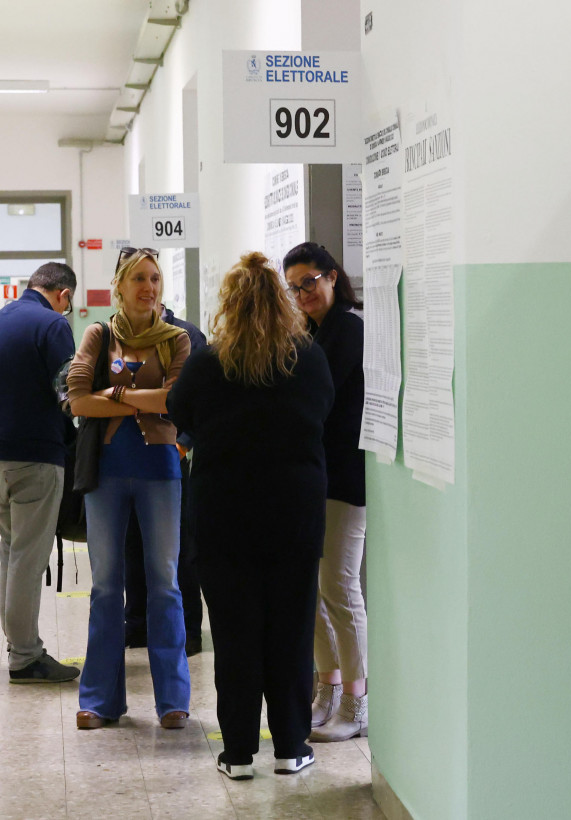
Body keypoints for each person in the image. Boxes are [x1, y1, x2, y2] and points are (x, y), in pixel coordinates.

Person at [167, 252, 333, 779]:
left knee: (235, 636)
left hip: (223, 515)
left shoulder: (207, 361)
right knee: (290, 631)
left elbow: (180, 413)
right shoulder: (306, 359)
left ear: (229, 306)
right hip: (294, 513)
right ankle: (290, 746)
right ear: (281, 302)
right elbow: (323, 410)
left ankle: (237, 753)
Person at [67, 247, 191, 730]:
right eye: (138, 278)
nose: (149, 287)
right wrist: (142, 404)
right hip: (107, 471)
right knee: (104, 586)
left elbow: (176, 400)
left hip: (160, 468)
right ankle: (99, 700)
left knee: (164, 584)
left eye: (155, 278)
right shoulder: (99, 335)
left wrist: (115, 397)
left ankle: (173, 701)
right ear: (119, 286)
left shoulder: (177, 339)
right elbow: (77, 401)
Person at [0, 262, 81, 684]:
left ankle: (18, 646)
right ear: (63, 295)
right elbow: (69, 392)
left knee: (12, 551)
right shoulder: (53, 326)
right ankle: (26, 655)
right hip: (37, 454)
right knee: (30, 556)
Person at [283, 242, 369, 742]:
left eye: (310, 282)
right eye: (294, 287)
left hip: (345, 479)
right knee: (310, 590)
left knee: (339, 586)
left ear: (333, 277)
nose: (303, 294)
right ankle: (328, 687)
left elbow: (317, 398)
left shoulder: (350, 330)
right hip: (310, 478)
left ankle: (358, 703)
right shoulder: (308, 332)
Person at [124, 302, 206, 655]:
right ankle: (138, 625)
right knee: (133, 544)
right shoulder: (117, 338)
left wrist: (183, 445)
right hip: (130, 460)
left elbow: (202, 399)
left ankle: (189, 631)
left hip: (172, 459)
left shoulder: (187, 337)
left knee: (180, 547)